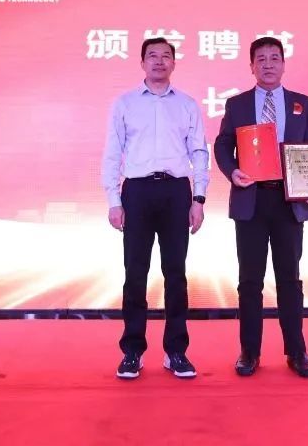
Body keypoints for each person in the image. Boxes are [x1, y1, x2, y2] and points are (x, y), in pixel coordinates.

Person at [214, 36, 308, 378]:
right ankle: (249, 351)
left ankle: (297, 351)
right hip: (251, 199)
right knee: (250, 281)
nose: (268, 64)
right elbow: (222, 145)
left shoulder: (302, 104)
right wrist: (232, 171)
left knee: (290, 279)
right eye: (260, 59)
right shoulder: (237, 104)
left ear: (283, 64)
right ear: (251, 66)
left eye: (274, 58)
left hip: (289, 202)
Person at [101, 37, 209, 380]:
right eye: (152, 56)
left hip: (177, 191)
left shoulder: (187, 105)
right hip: (137, 191)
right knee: (135, 274)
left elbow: (199, 153)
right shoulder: (125, 103)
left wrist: (199, 199)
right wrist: (114, 200)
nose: (159, 61)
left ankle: (176, 351)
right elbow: (112, 153)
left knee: (176, 274)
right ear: (142, 63)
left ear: (174, 63)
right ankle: (132, 351)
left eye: (165, 56)